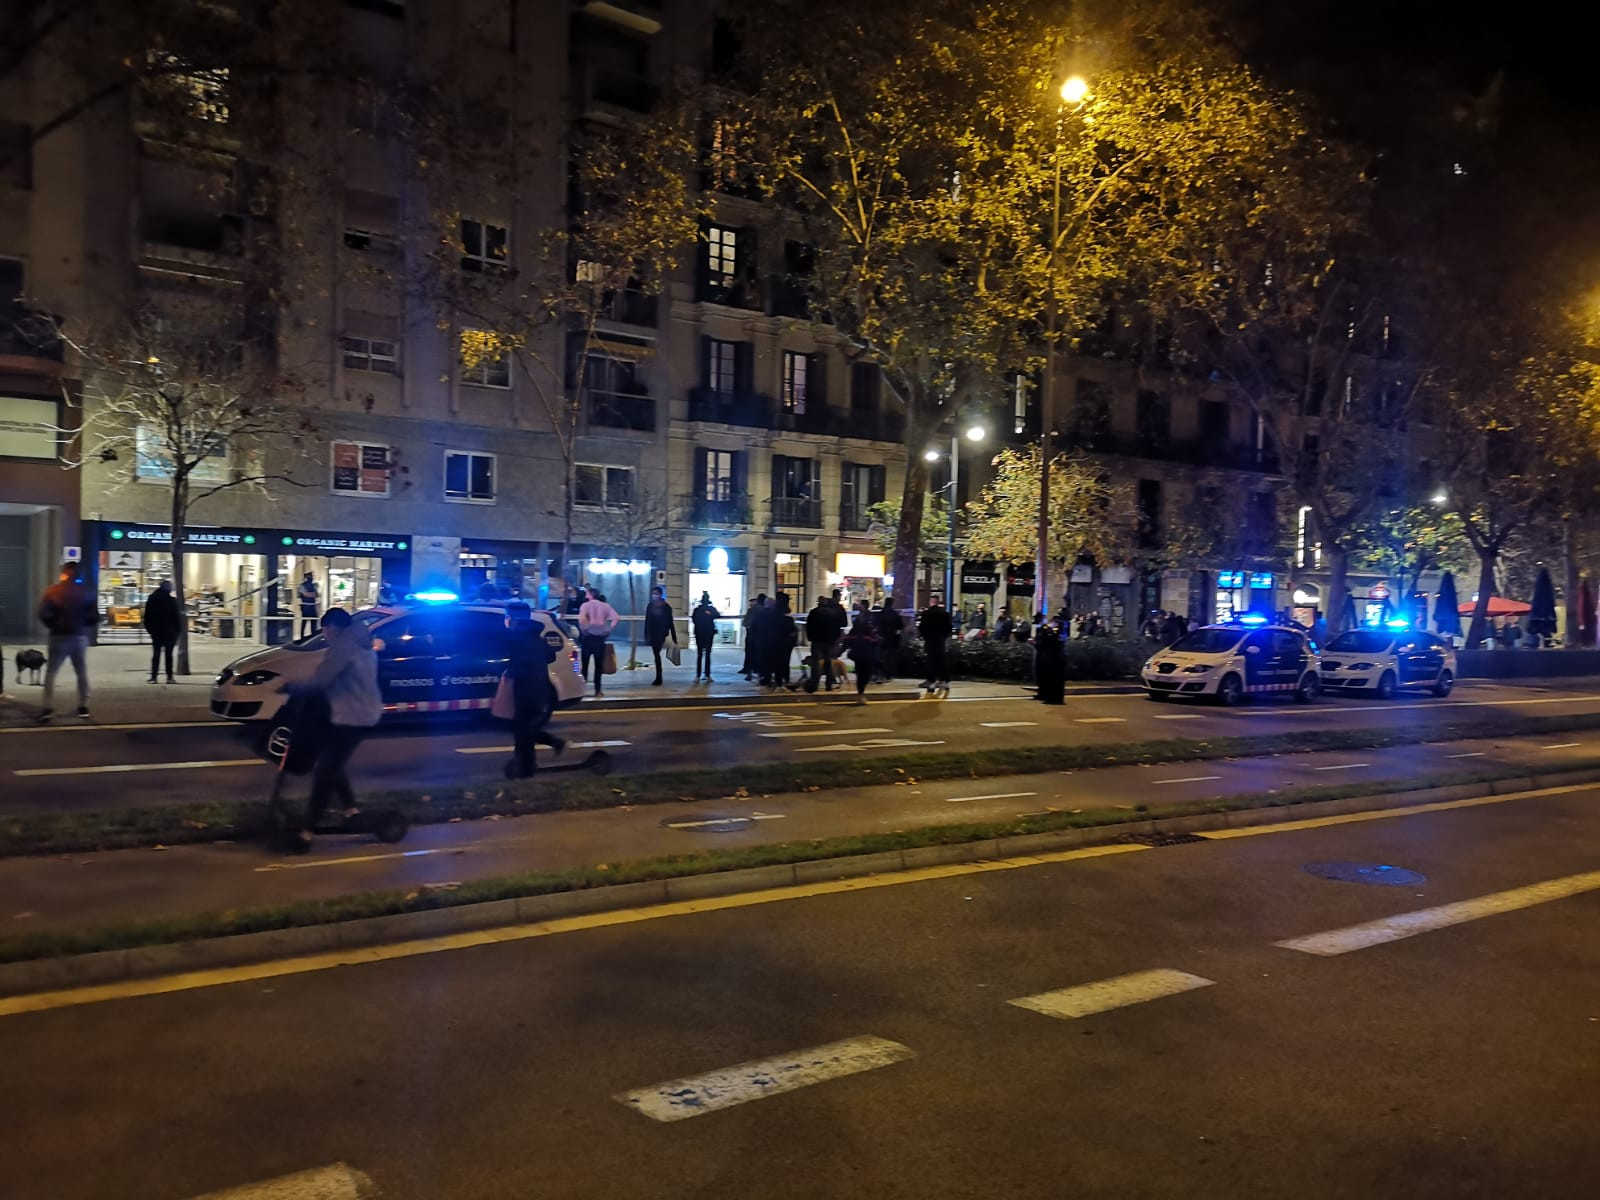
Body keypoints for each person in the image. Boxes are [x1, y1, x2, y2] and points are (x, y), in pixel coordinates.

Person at [280, 607, 383, 850]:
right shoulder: (360, 641)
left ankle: (308, 831)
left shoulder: (344, 647)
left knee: (325, 770)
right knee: (330, 762)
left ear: (332, 627)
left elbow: (321, 679)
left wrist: (291, 688)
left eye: (325, 630)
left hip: (351, 717)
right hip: (355, 712)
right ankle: (351, 811)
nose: (325, 635)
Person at [501, 601, 566, 778]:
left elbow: (518, 663)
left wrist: (512, 671)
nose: (506, 621)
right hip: (538, 688)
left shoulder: (518, 638)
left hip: (527, 690)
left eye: (507, 616)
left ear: (513, 619)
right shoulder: (534, 635)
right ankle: (524, 766)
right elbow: (550, 655)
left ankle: (528, 766)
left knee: (523, 730)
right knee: (523, 729)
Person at [36, 562, 100, 723]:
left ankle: (47, 708)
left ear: (64, 573)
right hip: (78, 636)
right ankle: (83, 706)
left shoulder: (52, 591)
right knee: (81, 671)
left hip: (58, 635)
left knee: (51, 672)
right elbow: (94, 617)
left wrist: (53, 625)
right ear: (79, 574)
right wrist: (81, 624)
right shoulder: (87, 592)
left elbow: (43, 613)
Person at [576, 587, 619, 695]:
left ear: (591, 594)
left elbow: (581, 619)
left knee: (585, 664)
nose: (585, 596)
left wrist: (584, 630)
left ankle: (582, 689)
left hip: (588, 637)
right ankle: (598, 690)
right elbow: (616, 618)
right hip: (600, 639)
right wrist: (608, 629)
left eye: (587, 594)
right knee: (598, 665)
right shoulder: (605, 606)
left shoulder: (585, 605)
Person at [142, 579, 182, 683]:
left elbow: (146, 617)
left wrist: (150, 630)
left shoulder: (152, 599)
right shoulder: (172, 601)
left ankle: (154, 677)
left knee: (156, 655)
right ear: (167, 588)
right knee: (169, 655)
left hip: (156, 631)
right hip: (170, 632)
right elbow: (176, 618)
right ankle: (169, 677)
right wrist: (177, 631)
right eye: (170, 587)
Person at [804, 594, 844, 692]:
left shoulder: (813, 612)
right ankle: (828, 684)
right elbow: (836, 628)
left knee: (816, 662)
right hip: (828, 642)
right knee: (828, 662)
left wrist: (810, 637)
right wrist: (835, 640)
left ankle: (815, 683)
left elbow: (808, 626)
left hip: (816, 641)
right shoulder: (832, 614)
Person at [842, 608, 880, 704]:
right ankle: (861, 693)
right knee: (864, 674)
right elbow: (875, 642)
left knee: (862, 674)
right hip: (866, 655)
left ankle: (860, 693)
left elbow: (847, 641)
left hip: (860, 655)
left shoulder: (864, 631)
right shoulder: (867, 632)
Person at [643, 585, 678, 686]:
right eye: (653, 594)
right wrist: (646, 634)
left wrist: (674, 636)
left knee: (657, 654)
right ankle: (659, 677)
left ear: (660, 594)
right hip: (653, 633)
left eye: (656, 593)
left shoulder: (666, 607)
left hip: (661, 633)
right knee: (656, 654)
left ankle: (659, 677)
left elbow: (670, 622)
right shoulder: (650, 606)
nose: (654, 596)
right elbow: (647, 621)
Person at [918, 593, 953, 690]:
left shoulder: (926, 613)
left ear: (931, 602)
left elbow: (922, 627)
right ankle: (945, 680)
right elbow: (949, 627)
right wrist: (944, 637)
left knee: (931, 660)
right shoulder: (944, 613)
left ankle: (932, 680)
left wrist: (924, 637)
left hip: (930, 640)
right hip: (941, 640)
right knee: (942, 660)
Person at [1034, 613, 1066, 704]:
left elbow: (1050, 641)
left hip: (1056, 658)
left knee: (1056, 679)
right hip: (1053, 657)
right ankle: (1051, 697)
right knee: (1051, 678)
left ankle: (1055, 698)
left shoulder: (1058, 630)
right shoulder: (1053, 630)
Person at [691, 592, 721, 681]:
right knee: (706, 654)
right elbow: (717, 615)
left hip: (701, 633)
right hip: (707, 633)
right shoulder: (709, 609)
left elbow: (694, 619)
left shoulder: (698, 609)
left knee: (701, 655)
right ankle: (706, 675)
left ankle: (699, 675)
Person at [876, 594, 905, 682]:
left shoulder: (880, 613)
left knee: (880, 656)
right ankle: (888, 674)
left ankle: (879, 674)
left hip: (881, 638)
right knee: (889, 657)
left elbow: (877, 625)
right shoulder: (894, 614)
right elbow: (900, 626)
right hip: (891, 638)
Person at [740, 596, 764, 681]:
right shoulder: (763, 610)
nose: (750, 604)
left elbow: (746, 622)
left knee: (750, 653)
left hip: (751, 635)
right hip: (760, 636)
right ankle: (756, 670)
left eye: (752, 602)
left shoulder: (752, 610)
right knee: (757, 654)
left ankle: (749, 671)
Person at [295, 571, 321, 639]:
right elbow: (307, 594)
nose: (312, 577)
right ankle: (302, 638)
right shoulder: (302, 585)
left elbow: (317, 595)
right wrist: (312, 594)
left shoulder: (314, 585)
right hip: (305, 606)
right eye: (310, 576)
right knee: (304, 623)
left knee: (313, 623)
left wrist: (310, 594)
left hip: (312, 605)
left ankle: (313, 638)